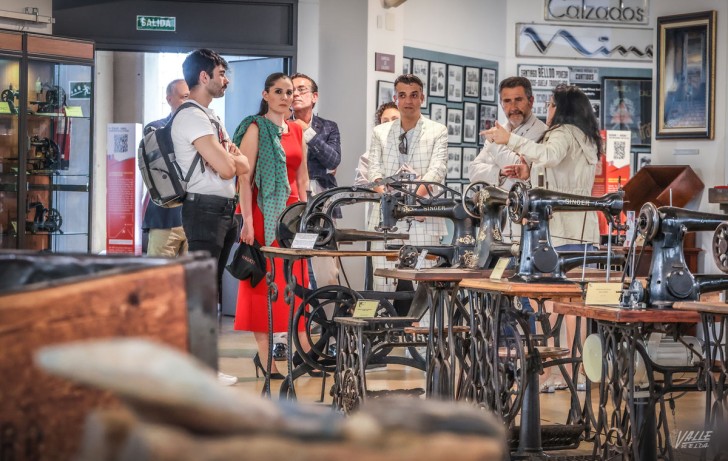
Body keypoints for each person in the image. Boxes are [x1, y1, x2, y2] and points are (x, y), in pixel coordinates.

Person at [486, 84, 602, 393]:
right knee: (573, 307)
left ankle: (555, 373)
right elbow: (558, 172)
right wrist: (527, 173)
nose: (548, 111)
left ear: (561, 108)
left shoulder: (563, 133)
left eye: (551, 105)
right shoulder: (585, 137)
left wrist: (508, 138)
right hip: (580, 230)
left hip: (562, 231)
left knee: (553, 305)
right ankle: (572, 372)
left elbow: (549, 156)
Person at [174, 49, 249, 386]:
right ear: (204, 76)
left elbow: (242, 164)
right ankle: (198, 368)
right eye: (221, 72)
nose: (226, 79)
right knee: (204, 291)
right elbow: (227, 166)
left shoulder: (210, 117)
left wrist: (233, 162)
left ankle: (204, 367)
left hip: (221, 208)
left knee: (212, 289)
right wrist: (231, 162)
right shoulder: (191, 116)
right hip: (203, 207)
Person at [232, 73, 310, 379]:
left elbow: (302, 179)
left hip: (292, 215)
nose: (285, 96)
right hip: (263, 212)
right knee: (264, 281)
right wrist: (247, 221)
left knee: (297, 280)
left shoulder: (297, 130)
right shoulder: (255, 127)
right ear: (266, 95)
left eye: (289, 92)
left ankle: (304, 347)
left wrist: (309, 216)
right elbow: (244, 178)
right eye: (278, 91)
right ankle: (266, 358)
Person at [367, 74, 448, 294]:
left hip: (424, 215)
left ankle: (425, 328)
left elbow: (437, 171)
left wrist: (415, 203)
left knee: (425, 284)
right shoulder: (380, 133)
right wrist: (387, 199)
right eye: (402, 96)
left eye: (414, 95)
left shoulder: (437, 131)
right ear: (395, 99)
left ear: (422, 98)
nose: (408, 101)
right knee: (383, 283)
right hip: (386, 218)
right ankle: (384, 328)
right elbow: (373, 170)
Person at [469, 76, 547, 191]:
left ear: (531, 101)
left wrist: (494, 145)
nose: (513, 107)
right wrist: (499, 172)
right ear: (501, 104)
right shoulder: (499, 130)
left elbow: (520, 170)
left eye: (518, 100)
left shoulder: (542, 131)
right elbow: (473, 171)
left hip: (524, 206)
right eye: (507, 101)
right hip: (495, 205)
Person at [142, 79, 190, 257]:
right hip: (165, 218)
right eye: (184, 97)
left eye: (191, 97)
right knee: (158, 280)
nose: (188, 102)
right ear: (169, 99)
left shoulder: (206, 130)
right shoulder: (155, 128)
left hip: (195, 219)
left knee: (194, 281)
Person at [354, 101, 400, 186]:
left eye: (395, 119)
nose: (390, 124)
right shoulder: (367, 158)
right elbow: (360, 189)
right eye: (385, 122)